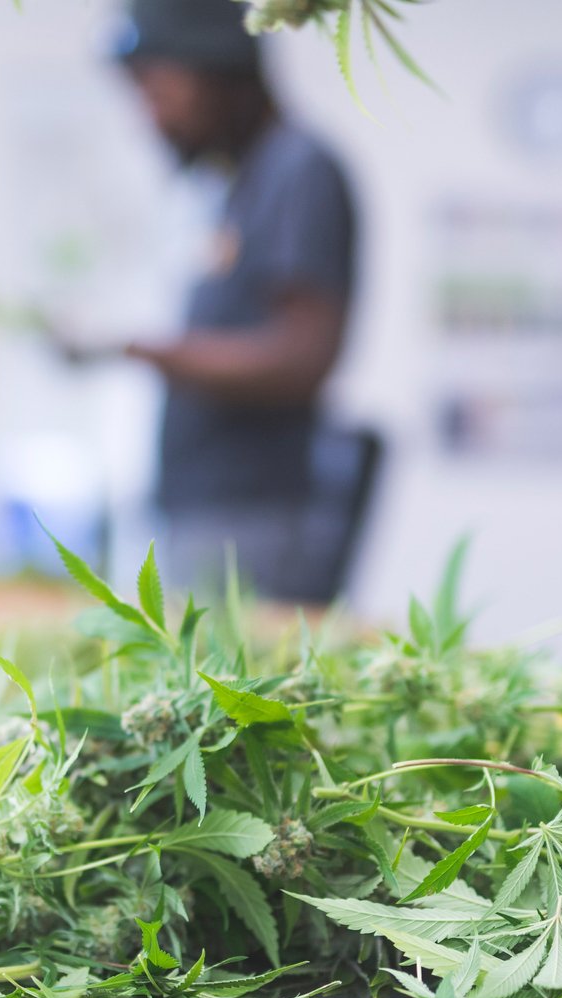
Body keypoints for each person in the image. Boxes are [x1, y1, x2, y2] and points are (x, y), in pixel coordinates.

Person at [106, 0, 358, 597]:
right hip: (208, 511)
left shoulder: (299, 170)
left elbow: (303, 355)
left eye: (159, 90)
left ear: (220, 74)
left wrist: (143, 350)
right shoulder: (239, 185)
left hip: (254, 519)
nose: (153, 117)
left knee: (230, 687)